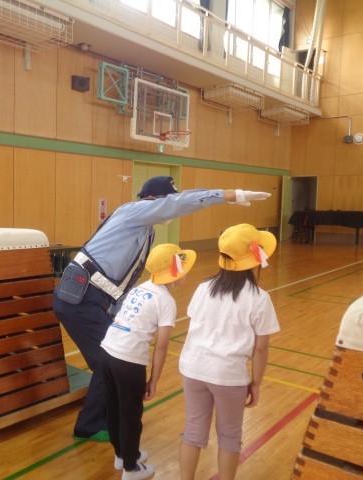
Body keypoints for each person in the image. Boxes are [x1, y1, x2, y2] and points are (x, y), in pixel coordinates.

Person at [53, 176, 271, 442]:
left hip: (97, 301)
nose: (170, 212)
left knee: (111, 362)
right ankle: (89, 426)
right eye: (167, 201)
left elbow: (126, 278)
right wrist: (230, 194)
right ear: (153, 200)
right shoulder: (132, 212)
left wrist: (119, 315)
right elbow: (179, 203)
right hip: (79, 299)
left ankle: (106, 416)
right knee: (108, 362)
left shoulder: (147, 230)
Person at [178, 223, 280, 480]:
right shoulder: (259, 298)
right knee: (229, 437)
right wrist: (256, 383)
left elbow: (197, 323)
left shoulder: (203, 288)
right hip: (229, 376)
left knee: (193, 432)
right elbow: (261, 347)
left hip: (193, 368)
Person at [100, 243, 196, 480]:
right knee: (131, 415)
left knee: (114, 408)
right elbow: (161, 346)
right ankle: (131, 469)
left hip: (107, 352)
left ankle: (122, 455)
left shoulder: (140, 288)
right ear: (174, 271)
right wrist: (153, 379)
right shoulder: (166, 301)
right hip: (128, 362)